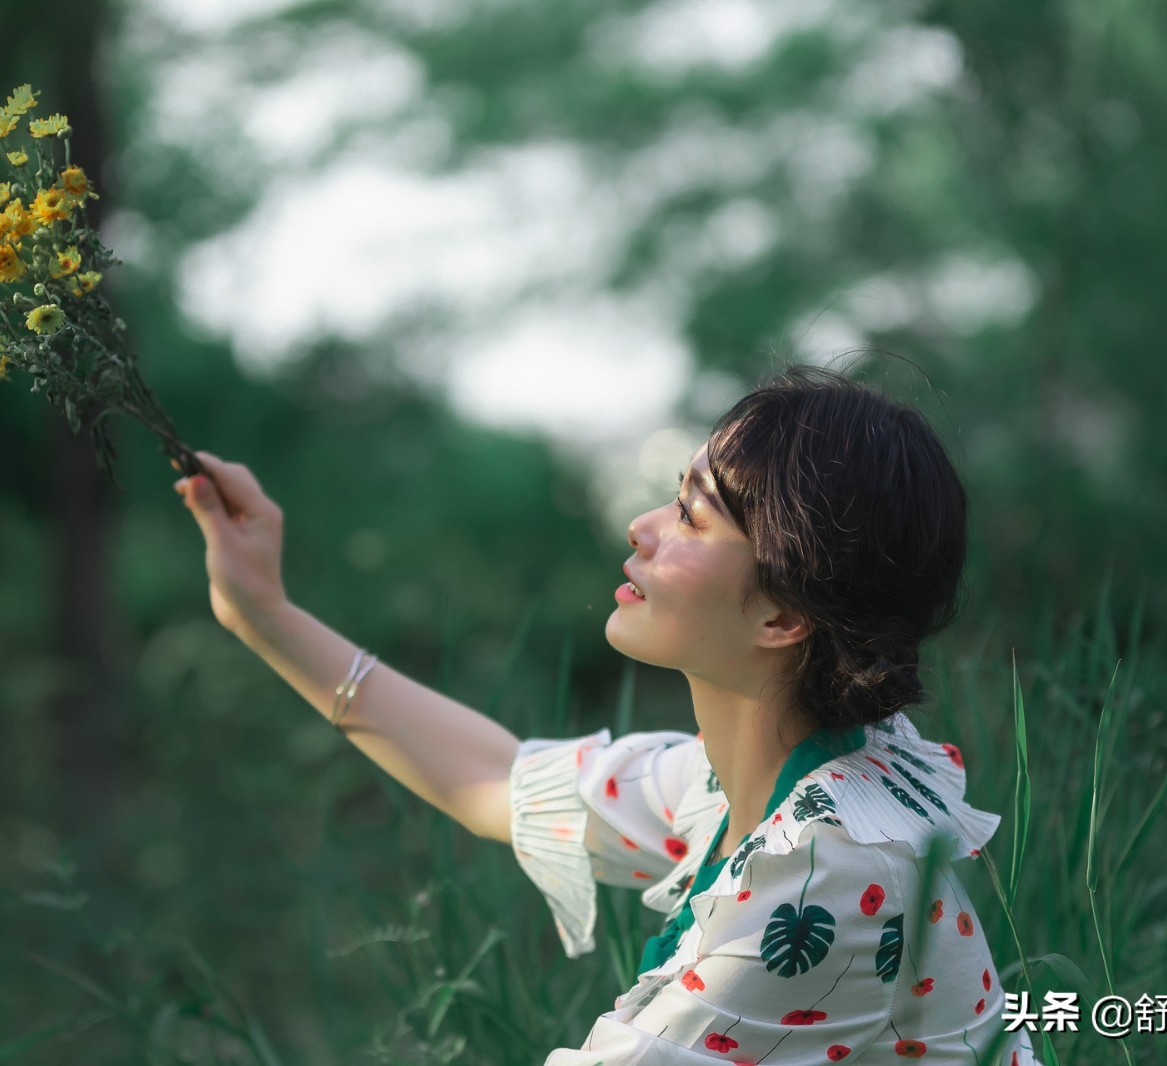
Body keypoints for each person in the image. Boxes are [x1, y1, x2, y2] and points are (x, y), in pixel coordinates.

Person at [174, 364, 1041, 1064]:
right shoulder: (781, 777)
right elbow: (497, 779)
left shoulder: (824, 874)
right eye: (675, 494)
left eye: (693, 519)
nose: (642, 526)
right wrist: (264, 613)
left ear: (783, 617)